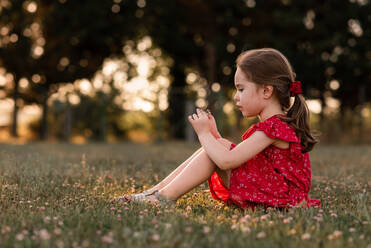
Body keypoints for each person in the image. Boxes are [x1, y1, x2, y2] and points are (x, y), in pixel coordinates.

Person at [118, 48, 321, 209]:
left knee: (214, 152)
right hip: (276, 192)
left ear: (267, 91)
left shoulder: (274, 128)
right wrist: (214, 137)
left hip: (282, 201)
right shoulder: (276, 125)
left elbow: (226, 161)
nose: (236, 97)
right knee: (218, 145)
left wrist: (204, 134)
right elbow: (239, 159)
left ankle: (162, 197)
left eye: (241, 89)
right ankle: (154, 193)